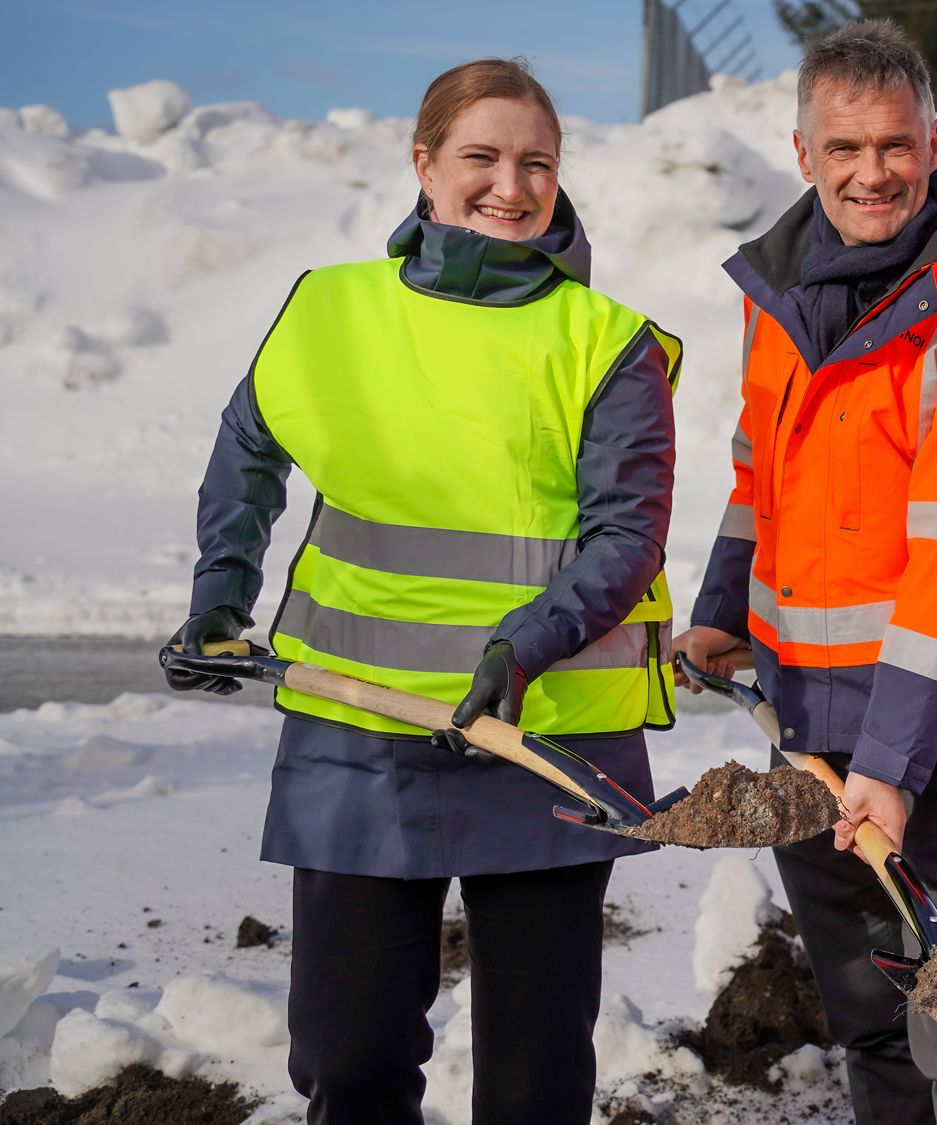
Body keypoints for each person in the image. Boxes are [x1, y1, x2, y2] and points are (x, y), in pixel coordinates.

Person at [164, 58, 681, 1125]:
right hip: (358, 732)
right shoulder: (328, 307)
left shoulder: (605, 342)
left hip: (545, 742)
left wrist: (521, 650)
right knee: (347, 1062)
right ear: (424, 164)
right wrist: (221, 594)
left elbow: (625, 534)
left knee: (534, 1084)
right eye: (481, 158)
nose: (510, 184)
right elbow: (246, 454)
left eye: (535, 162)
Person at [674, 19, 937, 1122]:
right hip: (809, 711)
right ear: (802, 154)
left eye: (895, 146)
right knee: (867, 1013)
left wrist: (893, 765)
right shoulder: (784, 291)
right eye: (845, 149)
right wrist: (722, 611)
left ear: (935, 141)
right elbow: (758, 467)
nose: (873, 174)